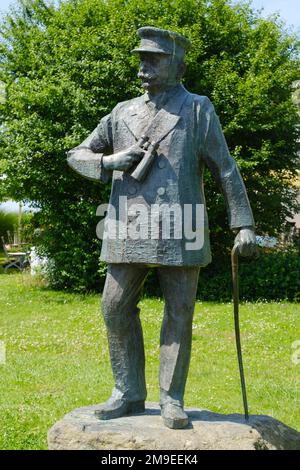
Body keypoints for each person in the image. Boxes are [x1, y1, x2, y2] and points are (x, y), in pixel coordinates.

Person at [67, 26, 256, 429]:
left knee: (179, 313)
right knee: (114, 308)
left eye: (154, 59)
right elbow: (76, 154)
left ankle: (172, 398)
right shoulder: (121, 113)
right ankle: (128, 392)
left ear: (179, 64)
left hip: (181, 227)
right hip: (126, 227)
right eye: (141, 58)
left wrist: (243, 224)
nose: (144, 66)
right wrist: (107, 162)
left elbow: (225, 168)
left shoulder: (198, 109)